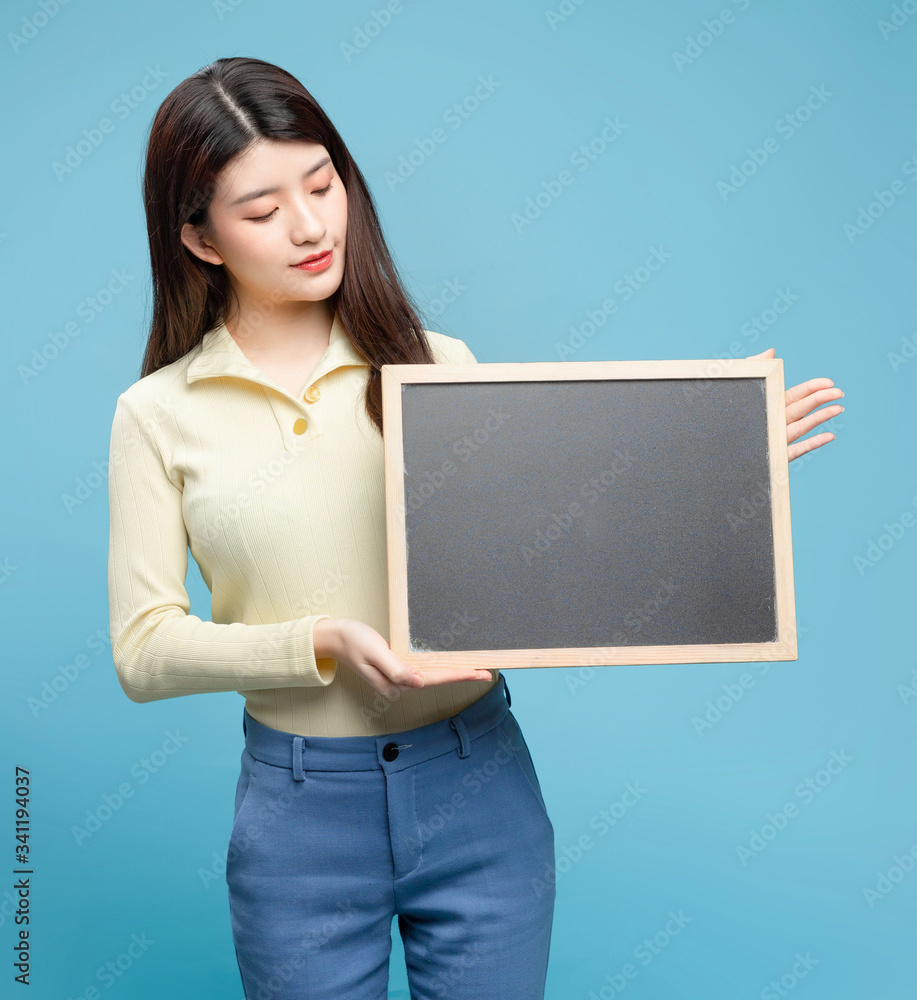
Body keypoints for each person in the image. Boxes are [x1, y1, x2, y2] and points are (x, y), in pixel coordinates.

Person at [108, 55, 844, 1000]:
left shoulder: (432, 367)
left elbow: (539, 555)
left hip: (476, 786)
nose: (308, 225)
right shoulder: (158, 414)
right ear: (201, 241)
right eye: (260, 210)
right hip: (299, 815)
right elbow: (143, 650)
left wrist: (700, 465)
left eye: (323, 184)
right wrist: (320, 644)